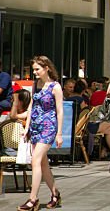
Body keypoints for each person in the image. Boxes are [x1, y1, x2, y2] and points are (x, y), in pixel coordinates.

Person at [18, 55, 64, 211]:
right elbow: (31, 105)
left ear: (47, 68)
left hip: (48, 128)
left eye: (37, 69)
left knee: (35, 161)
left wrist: (59, 134)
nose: (35, 73)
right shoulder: (36, 84)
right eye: (34, 70)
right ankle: (55, 194)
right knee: (43, 164)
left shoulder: (55, 87)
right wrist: (27, 127)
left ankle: (33, 199)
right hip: (35, 127)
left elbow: (59, 111)